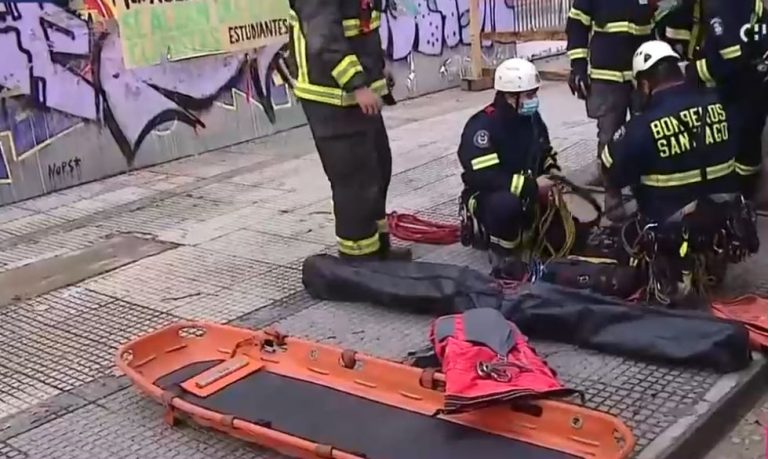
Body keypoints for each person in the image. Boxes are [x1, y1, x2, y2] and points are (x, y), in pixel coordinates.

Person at [601, 40, 756, 303]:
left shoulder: (641, 126)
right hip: (724, 220)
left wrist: (616, 195)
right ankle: (711, 259)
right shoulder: (719, 106)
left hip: (673, 228)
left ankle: (671, 272)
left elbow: (609, 166)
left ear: (645, 83)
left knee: (625, 237)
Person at [287, 1, 411, 261]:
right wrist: (357, 84)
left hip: (355, 96)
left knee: (378, 169)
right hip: (332, 99)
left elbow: (362, 27)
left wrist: (378, 66)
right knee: (355, 183)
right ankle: (359, 260)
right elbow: (325, 39)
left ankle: (378, 251)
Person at [654, 0, 768, 199]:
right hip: (752, 85)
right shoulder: (744, 6)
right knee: (746, 144)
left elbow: (730, 61)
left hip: (739, 90)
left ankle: (739, 194)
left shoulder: (722, 7)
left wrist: (691, 72)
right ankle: (744, 193)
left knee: (739, 144)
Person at [457, 58, 561, 270]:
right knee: (506, 206)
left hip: (525, 189)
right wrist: (532, 187)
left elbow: (543, 150)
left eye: (535, 94)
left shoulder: (531, 120)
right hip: (490, 194)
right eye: (529, 95)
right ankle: (502, 253)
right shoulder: (483, 128)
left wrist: (553, 171)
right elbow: (486, 177)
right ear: (510, 96)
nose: (534, 100)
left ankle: (525, 232)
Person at [565, 0, 655, 198]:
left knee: (648, 131)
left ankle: (646, 185)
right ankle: (611, 190)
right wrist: (578, 66)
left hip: (643, 76)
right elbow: (577, 24)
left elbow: (662, 21)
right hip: (607, 76)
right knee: (609, 136)